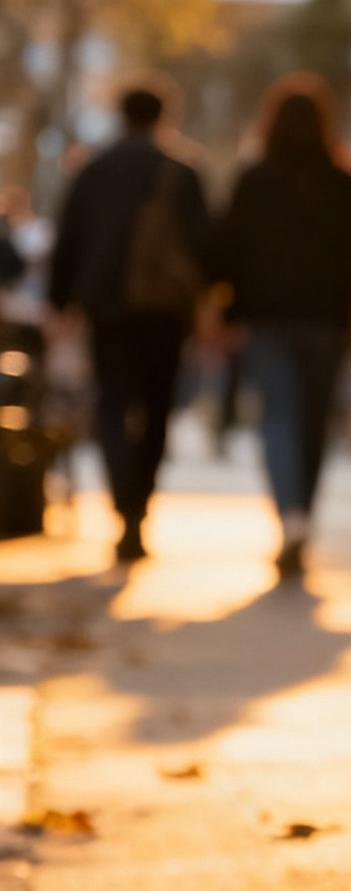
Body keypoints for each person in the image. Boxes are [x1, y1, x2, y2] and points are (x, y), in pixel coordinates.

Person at [217, 74, 351, 579]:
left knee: (279, 417)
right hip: (328, 318)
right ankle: (303, 513)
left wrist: (227, 305)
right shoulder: (343, 180)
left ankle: (292, 516)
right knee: (315, 419)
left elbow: (227, 248)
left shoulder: (253, 178)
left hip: (266, 318)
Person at [48, 81, 212, 563]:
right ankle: (140, 507)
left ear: (120, 115)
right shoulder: (182, 171)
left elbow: (68, 239)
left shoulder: (92, 169)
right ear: (164, 115)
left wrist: (62, 303)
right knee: (158, 407)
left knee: (112, 402)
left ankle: (124, 503)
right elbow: (204, 244)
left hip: (107, 307)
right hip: (165, 310)